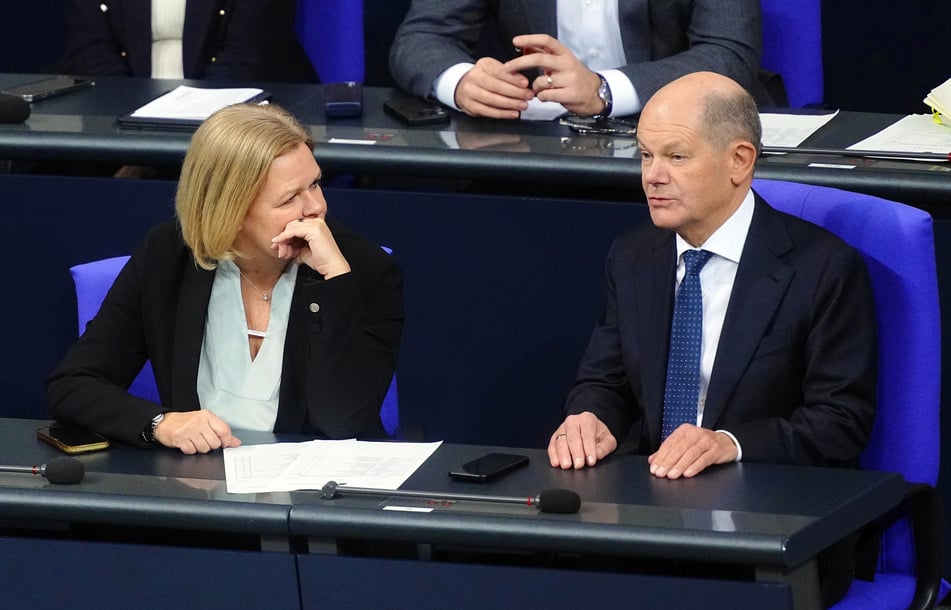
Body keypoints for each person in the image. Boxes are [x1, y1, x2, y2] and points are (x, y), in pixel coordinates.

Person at [548, 70, 877, 607]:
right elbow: (603, 379)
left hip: (772, 524)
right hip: (650, 514)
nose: (652, 176)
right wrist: (590, 417)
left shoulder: (822, 269)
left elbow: (841, 423)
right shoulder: (633, 256)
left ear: (739, 162)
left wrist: (730, 442)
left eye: (676, 157)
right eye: (645, 155)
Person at [47, 103, 403, 454]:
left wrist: (334, 284)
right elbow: (74, 384)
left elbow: (343, 422)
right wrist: (160, 423)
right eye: (290, 198)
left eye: (315, 184)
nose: (315, 208)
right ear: (230, 213)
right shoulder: (169, 257)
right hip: (197, 488)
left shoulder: (362, 270)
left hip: (315, 496)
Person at [388, 0, 762, 119]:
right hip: (540, 151)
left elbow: (728, 53)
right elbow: (422, 37)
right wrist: (462, 81)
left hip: (683, 133)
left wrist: (603, 91)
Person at [62, 0, 318, 83]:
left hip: (235, 124)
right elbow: (91, 50)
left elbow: (250, 54)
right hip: (121, 124)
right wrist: (132, 132)